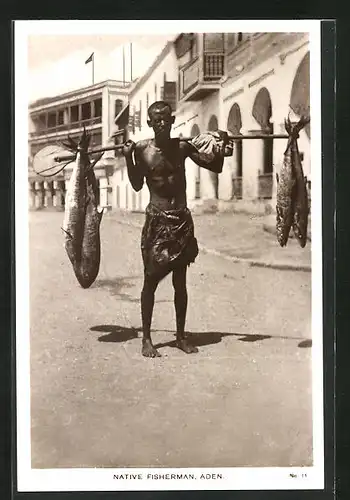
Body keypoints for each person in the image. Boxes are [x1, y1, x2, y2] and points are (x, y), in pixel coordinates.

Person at [122, 101, 232, 358]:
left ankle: (181, 336)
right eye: (156, 119)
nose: (161, 123)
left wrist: (222, 146)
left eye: (165, 119)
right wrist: (128, 158)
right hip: (157, 222)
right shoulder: (141, 150)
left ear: (172, 121)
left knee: (179, 282)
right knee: (150, 281)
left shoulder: (182, 147)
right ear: (149, 123)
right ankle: (147, 339)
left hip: (181, 221)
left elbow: (213, 166)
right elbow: (137, 184)